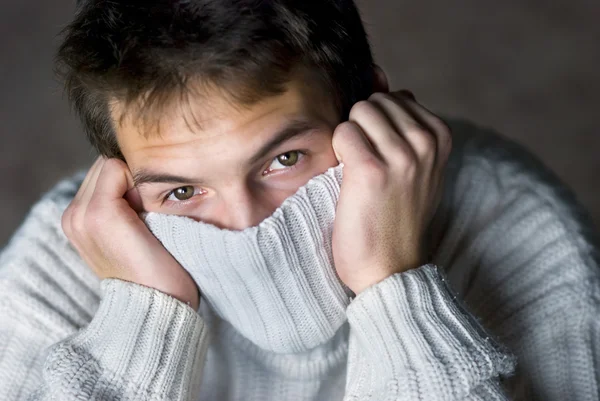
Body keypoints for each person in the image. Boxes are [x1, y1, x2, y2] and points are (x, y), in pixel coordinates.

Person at [0, 1, 598, 400]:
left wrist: (394, 284)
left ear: (370, 107)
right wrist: (141, 318)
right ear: (125, 182)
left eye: (284, 160)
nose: (244, 223)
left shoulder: (514, 222)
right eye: (182, 190)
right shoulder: (66, 258)